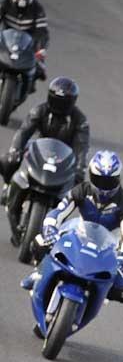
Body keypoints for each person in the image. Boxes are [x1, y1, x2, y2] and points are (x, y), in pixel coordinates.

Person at [24, 150, 123, 303]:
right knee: (39, 242)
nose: (104, 187)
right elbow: (59, 211)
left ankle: (98, 296)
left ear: (118, 179)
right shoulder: (82, 190)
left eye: (109, 182)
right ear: (91, 176)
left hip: (107, 247)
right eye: (99, 180)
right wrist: (50, 229)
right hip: (80, 233)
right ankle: (39, 272)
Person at [2, 77, 89, 243]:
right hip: (39, 151)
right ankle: (8, 188)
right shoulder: (39, 110)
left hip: (64, 160)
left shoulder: (80, 121)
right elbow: (23, 131)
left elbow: (82, 146)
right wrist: (15, 150)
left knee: (76, 187)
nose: (61, 104)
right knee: (8, 160)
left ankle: (56, 224)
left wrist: (80, 168)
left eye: (65, 101)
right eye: (58, 100)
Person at [0, 0, 49, 87]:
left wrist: (41, 48)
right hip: (7, 40)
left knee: (39, 62)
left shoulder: (37, 8)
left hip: (28, 42)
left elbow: (42, 31)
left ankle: (32, 80)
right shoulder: (6, 2)